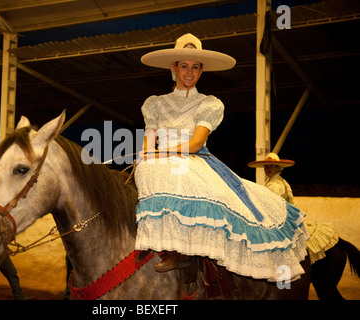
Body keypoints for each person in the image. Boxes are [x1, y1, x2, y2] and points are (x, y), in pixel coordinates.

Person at [134, 33, 309, 282]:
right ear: (174, 68)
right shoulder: (154, 104)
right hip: (159, 159)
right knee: (144, 171)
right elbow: (148, 142)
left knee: (174, 176)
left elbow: (195, 143)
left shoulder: (209, 103)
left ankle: (186, 252)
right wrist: (146, 155)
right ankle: (148, 239)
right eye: (184, 66)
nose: (189, 73)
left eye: (195, 67)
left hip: (194, 160)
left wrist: (159, 154)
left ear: (201, 71)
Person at [248, 153, 339, 264]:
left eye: (272, 166)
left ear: (278, 168)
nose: (268, 169)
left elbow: (271, 206)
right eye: (266, 166)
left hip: (280, 219)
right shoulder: (272, 182)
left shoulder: (277, 185)